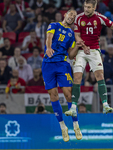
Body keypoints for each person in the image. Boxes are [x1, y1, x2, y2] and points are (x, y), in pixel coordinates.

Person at [65, 0, 113, 117]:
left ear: (94, 8)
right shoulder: (79, 18)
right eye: (85, 7)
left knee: (100, 76)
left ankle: (105, 105)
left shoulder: (99, 17)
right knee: (77, 77)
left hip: (94, 50)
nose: (86, 9)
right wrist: (84, 46)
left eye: (89, 7)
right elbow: (77, 35)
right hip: (81, 51)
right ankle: (73, 107)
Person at [42, 10, 83, 142]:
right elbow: (49, 37)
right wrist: (48, 48)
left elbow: (71, 55)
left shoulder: (71, 34)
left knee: (68, 94)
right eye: (70, 14)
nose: (72, 17)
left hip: (62, 64)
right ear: (65, 15)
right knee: (53, 95)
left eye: (74, 17)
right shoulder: (54, 25)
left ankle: (76, 124)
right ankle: (62, 126)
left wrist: (77, 47)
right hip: (48, 64)